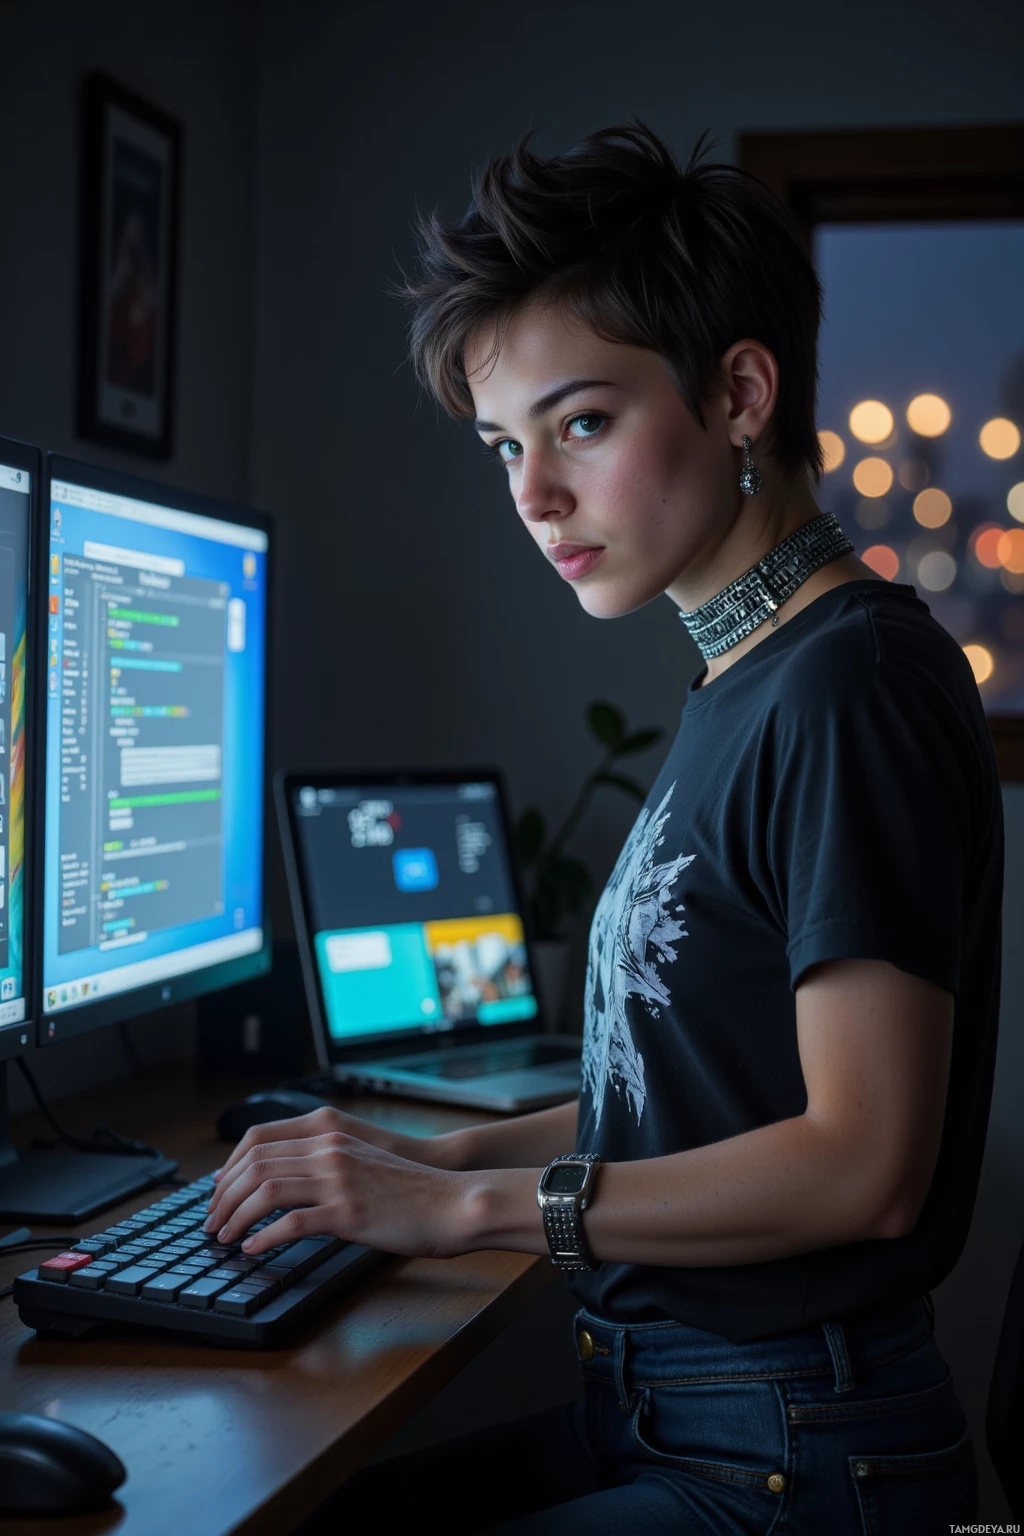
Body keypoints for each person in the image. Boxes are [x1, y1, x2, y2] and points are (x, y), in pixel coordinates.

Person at [204, 121, 1003, 1532]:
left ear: (739, 394)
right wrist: (422, 1160)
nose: (533, 496)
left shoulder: (849, 685)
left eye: (580, 424)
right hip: (666, 1417)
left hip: (790, 1461)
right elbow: (690, 1099)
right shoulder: (748, 676)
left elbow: (865, 1165)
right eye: (503, 446)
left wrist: (467, 1213)